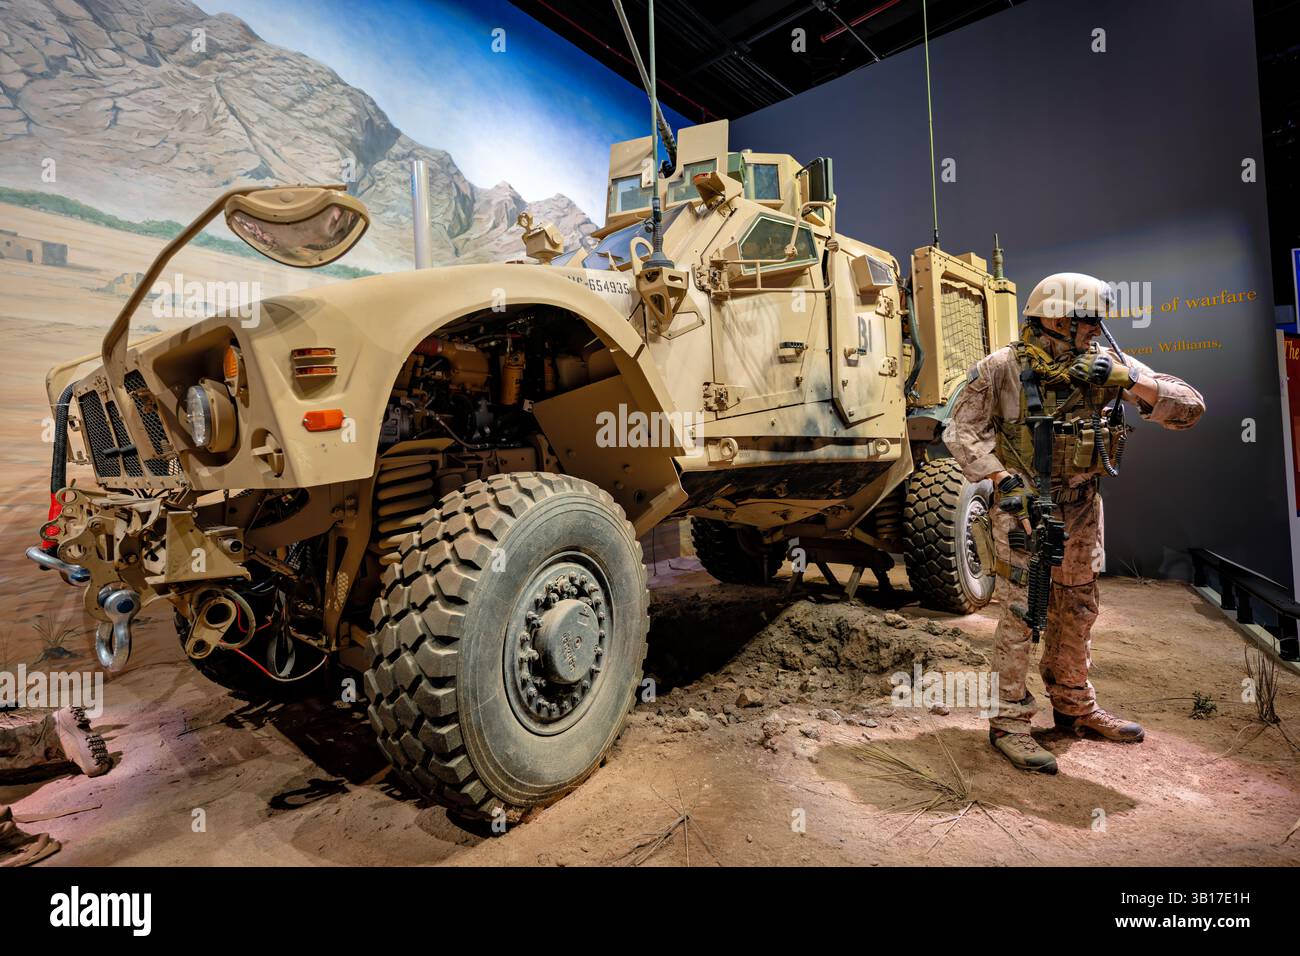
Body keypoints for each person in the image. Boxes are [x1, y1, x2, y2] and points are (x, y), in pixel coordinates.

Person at [946, 273, 1205, 773]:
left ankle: (1072, 705)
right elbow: (961, 430)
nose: (1097, 330)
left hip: (1083, 507)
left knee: (1079, 606)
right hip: (1023, 507)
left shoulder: (1106, 366)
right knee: (1024, 612)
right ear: (1057, 318)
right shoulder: (1001, 368)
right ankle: (1008, 722)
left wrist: (1130, 381)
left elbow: (1190, 408)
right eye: (1089, 321)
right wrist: (1000, 479)